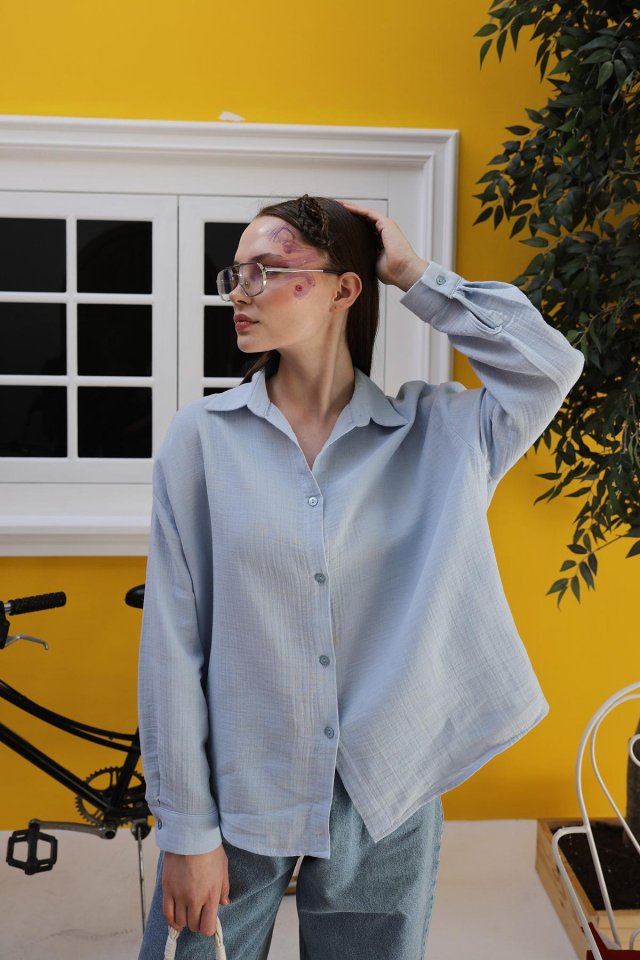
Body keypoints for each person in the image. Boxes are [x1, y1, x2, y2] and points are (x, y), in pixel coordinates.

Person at [137, 195, 584, 959]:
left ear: (345, 288)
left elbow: (549, 367)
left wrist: (412, 273)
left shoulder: (441, 434)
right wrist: (185, 831)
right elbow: (172, 649)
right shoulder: (201, 441)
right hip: (241, 787)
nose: (239, 291)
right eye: (234, 274)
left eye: (265, 270)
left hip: (387, 794)